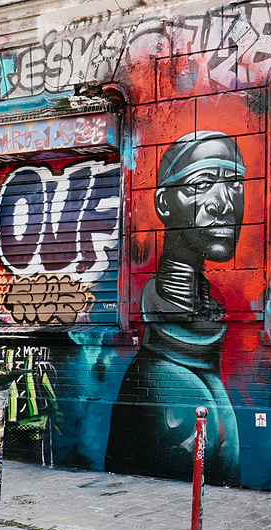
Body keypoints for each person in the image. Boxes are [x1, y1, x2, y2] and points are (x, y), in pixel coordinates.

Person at [105, 131, 242, 484]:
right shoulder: (155, 379)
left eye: (235, 182)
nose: (223, 202)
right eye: (204, 182)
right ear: (164, 203)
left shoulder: (201, 341)